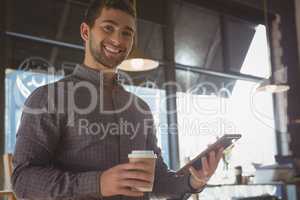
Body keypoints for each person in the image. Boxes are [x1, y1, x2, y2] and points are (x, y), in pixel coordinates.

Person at [11, 0, 224, 199]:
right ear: (86, 31)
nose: (117, 40)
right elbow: (22, 181)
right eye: (108, 28)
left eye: (126, 33)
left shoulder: (140, 109)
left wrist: (195, 180)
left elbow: (156, 179)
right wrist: (97, 183)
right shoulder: (48, 98)